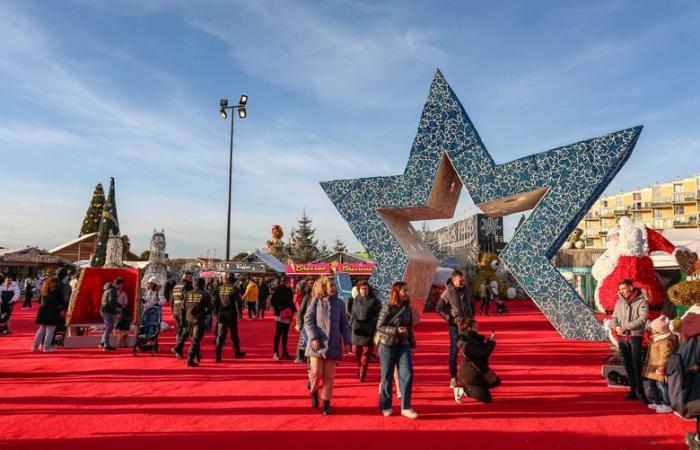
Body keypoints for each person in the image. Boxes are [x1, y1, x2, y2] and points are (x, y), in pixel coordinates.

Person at [304, 276, 352, 416]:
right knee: (317, 373)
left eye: (334, 285)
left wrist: (348, 341)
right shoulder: (316, 301)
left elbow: (344, 324)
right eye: (331, 285)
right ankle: (313, 391)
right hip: (317, 344)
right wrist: (313, 337)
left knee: (329, 376)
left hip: (333, 343)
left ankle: (326, 403)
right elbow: (308, 320)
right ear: (324, 287)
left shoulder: (340, 303)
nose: (333, 288)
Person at [376, 281, 417, 419]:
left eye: (407, 290)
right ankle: (386, 405)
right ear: (397, 292)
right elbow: (379, 326)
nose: (406, 293)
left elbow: (410, 328)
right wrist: (395, 330)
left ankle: (405, 407)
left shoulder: (408, 308)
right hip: (387, 345)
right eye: (404, 290)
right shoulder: (387, 307)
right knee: (387, 376)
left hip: (403, 345)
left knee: (408, 374)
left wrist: (412, 345)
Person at [610, 279, 649, 402]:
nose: (621, 291)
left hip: (635, 336)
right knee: (628, 364)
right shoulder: (620, 302)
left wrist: (625, 326)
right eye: (620, 289)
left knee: (636, 363)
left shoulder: (642, 301)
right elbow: (614, 317)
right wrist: (616, 327)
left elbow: (642, 319)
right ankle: (632, 389)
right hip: (623, 337)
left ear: (631, 288)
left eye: (623, 289)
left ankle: (640, 391)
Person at [436, 270, 473, 389]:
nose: (463, 282)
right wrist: (450, 319)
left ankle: (466, 377)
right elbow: (439, 308)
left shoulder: (467, 290)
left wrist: (471, 316)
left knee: (468, 352)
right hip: (455, 326)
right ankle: (453, 377)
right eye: (460, 280)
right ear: (453, 280)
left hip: (468, 325)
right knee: (454, 351)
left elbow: (472, 304)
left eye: (463, 279)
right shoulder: (448, 292)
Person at [455, 317, 500, 403]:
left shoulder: (472, 339)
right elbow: (484, 353)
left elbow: (481, 349)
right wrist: (491, 343)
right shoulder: (468, 344)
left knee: (496, 381)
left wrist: (489, 341)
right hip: (471, 374)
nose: (477, 329)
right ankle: (463, 392)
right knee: (486, 399)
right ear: (469, 328)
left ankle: (480, 388)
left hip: (478, 370)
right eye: (475, 327)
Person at [173, 278, 213, 367]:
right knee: (196, 339)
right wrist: (205, 313)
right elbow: (210, 308)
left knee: (188, 335)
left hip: (188, 318)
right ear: (202, 285)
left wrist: (183, 321)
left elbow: (182, 308)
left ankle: (179, 348)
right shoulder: (204, 294)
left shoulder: (188, 294)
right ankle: (190, 359)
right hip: (199, 319)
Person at [349, 280, 381, 382]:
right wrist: (349, 324)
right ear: (359, 290)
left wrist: (373, 324)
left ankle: (363, 372)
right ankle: (361, 368)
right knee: (355, 351)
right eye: (362, 289)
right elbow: (353, 313)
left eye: (366, 289)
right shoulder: (356, 299)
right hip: (356, 329)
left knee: (366, 353)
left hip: (369, 330)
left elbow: (379, 316)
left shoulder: (375, 301)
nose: (364, 291)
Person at [643, 315, 677, 414]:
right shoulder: (656, 338)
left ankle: (667, 404)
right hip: (653, 366)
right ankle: (657, 402)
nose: (651, 330)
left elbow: (665, 355)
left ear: (659, 330)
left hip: (660, 367)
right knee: (652, 383)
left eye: (653, 329)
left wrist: (662, 367)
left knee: (662, 386)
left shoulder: (666, 341)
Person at [213, 273, 246, 362]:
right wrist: (240, 314)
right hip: (231, 314)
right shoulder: (235, 288)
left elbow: (215, 301)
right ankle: (237, 352)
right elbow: (237, 302)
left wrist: (215, 313)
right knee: (234, 335)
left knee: (220, 335)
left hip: (221, 313)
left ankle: (218, 355)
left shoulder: (219, 288)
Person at [31, 275, 65, 352]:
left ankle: (35, 347)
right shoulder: (57, 292)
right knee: (50, 330)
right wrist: (62, 309)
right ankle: (46, 347)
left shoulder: (43, 290)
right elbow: (61, 302)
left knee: (41, 329)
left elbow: (39, 301)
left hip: (43, 311)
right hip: (53, 312)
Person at [271, 276, 296, 360]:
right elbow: (272, 301)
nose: (287, 282)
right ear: (282, 281)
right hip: (280, 314)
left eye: (287, 281)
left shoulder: (289, 290)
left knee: (285, 334)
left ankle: (284, 352)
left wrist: (292, 310)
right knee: (278, 333)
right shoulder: (277, 289)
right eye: (285, 281)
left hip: (288, 314)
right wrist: (280, 307)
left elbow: (291, 301)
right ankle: (276, 352)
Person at [170, 271, 193, 355]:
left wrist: (172, 311)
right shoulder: (188, 286)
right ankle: (179, 348)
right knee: (187, 329)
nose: (192, 279)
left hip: (176, 310)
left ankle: (178, 348)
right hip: (184, 311)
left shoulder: (176, 286)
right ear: (187, 277)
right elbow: (188, 300)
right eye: (191, 277)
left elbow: (172, 300)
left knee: (179, 329)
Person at [99, 277, 123, 351]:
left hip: (103, 310)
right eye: (121, 285)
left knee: (108, 327)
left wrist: (120, 306)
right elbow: (111, 302)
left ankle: (103, 342)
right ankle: (106, 345)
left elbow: (111, 301)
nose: (121, 287)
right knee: (109, 328)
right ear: (118, 284)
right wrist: (116, 312)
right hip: (108, 311)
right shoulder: (113, 290)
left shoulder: (108, 289)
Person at [294, 281, 312, 364]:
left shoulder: (306, 295)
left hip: (304, 319)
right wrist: (300, 323)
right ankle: (299, 356)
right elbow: (300, 310)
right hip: (304, 319)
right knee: (303, 339)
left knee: (304, 339)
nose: (309, 285)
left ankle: (302, 356)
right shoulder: (305, 296)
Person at [115, 281, 131, 348]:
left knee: (125, 332)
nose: (121, 288)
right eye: (120, 286)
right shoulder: (114, 294)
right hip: (117, 310)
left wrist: (123, 306)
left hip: (123, 310)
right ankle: (119, 345)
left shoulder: (124, 293)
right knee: (121, 332)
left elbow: (126, 302)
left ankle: (125, 345)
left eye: (122, 286)